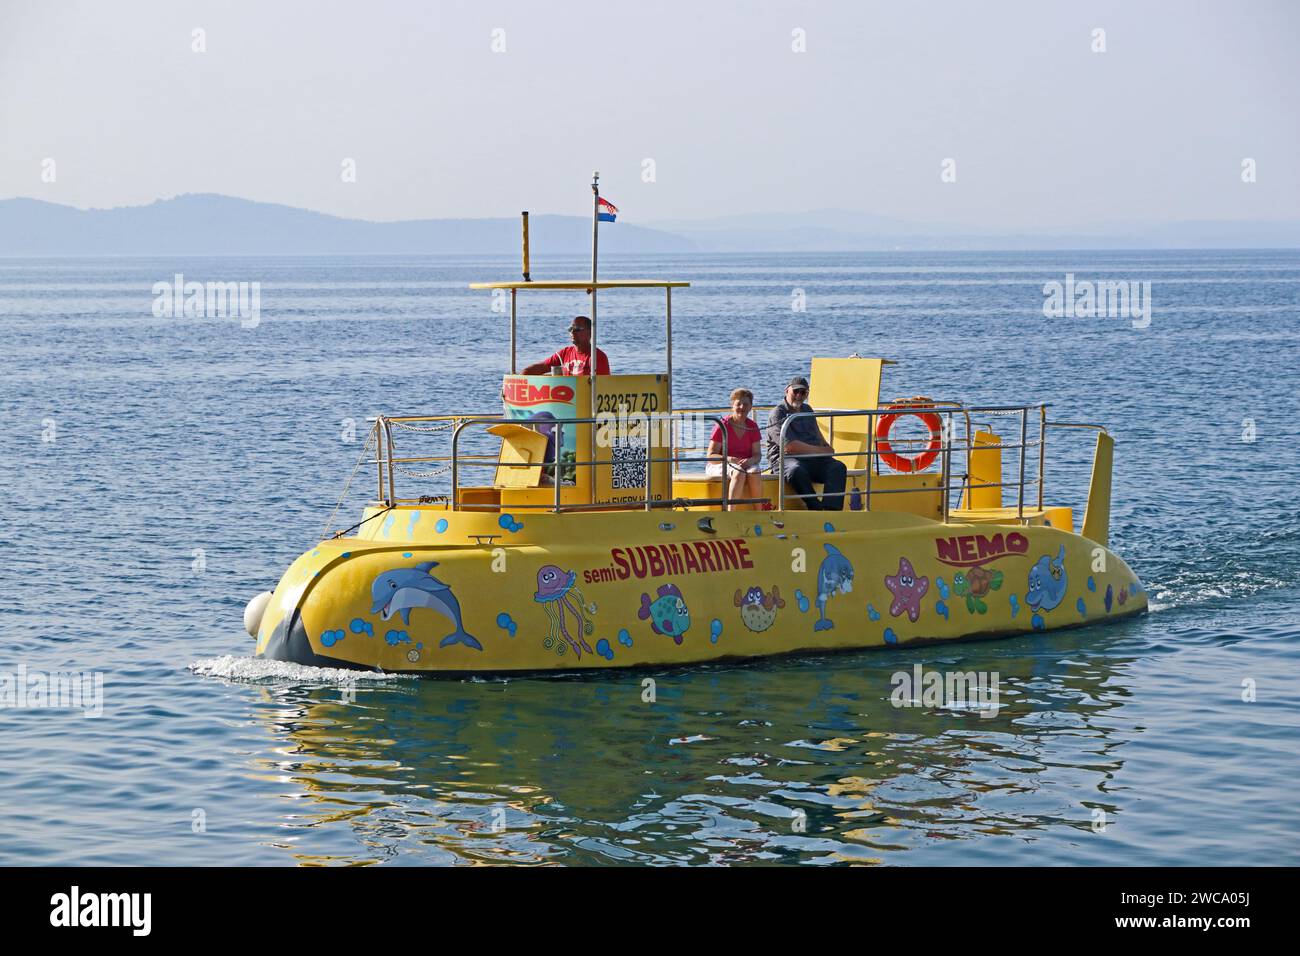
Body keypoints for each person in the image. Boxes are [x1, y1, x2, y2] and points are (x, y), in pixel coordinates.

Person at [766, 376, 847, 510]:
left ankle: (831, 510)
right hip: (785, 459)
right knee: (796, 470)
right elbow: (790, 446)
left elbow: (818, 436)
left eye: (803, 392)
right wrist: (822, 451)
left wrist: (827, 447)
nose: (799, 395)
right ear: (787, 390)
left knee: (838, 468)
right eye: (795, 391)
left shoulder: (807, 410)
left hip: (812, 458)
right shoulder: (778, 413)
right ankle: (815, 507)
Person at [707, 388, 765, 510]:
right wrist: (729, 459)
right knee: (738, 471)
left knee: (754, 471)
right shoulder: (722, 425)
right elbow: (711, 456)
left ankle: (759, 511)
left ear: (750, 407)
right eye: (738, 404)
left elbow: (757, 455)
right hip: (721, 464)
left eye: (746, 404)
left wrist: (750, 461)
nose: (742, 407)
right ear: (732, 405)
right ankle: (730, 512)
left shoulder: (752, 426)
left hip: (745, 464)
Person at [522, 316, 611, 375]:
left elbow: (602, 386)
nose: (572, 332)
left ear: (590, 333)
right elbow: (541, 367)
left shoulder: (598, 357)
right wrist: (522, 375)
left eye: (577, 329)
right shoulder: (564, 353)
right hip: (566, 399)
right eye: (570, 329)